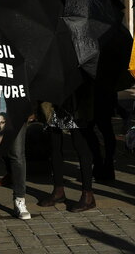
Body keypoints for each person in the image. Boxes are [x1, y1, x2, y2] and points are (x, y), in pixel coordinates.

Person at [37, 80, 97, 213]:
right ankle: (58, 191)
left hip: (76, 100)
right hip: (54, 99)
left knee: (80, 146)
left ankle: (88, 195)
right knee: (54, 145)